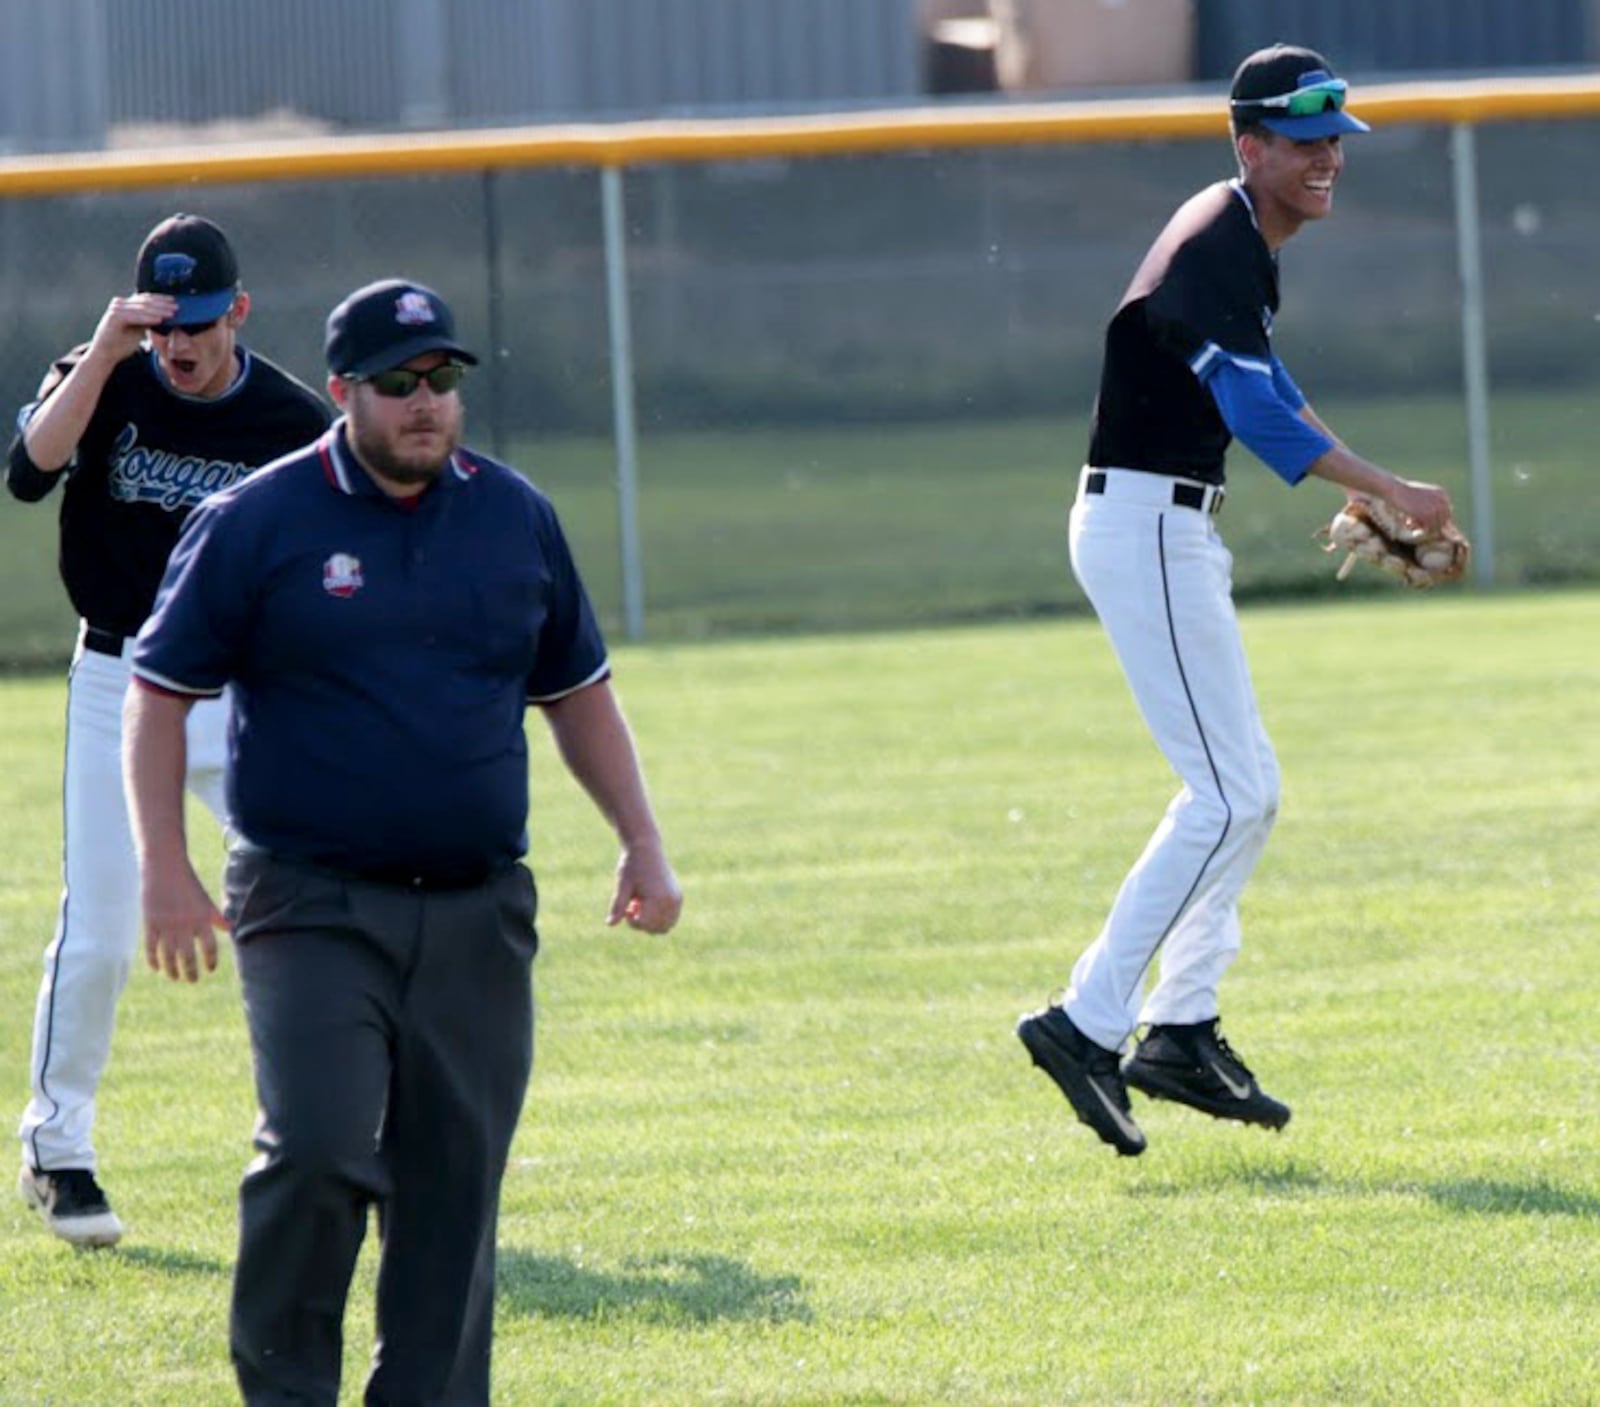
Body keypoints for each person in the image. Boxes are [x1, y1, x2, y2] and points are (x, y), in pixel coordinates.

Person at [124, 277, 684, 1404]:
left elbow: (576, 692)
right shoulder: (257, 522)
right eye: (397, 385)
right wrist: (165, 871)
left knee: (453, 1184)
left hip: (480, 910)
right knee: (321, 1149)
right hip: (310, 901)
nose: (425, 404)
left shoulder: (512, 515)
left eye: (441, 381)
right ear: (344, 393)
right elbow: (158, 693)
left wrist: (641, 839)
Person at [1016, 45, 1455, 1157]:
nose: (1325, 162)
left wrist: (1366, 480)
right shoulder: (1216, 241)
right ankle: (1087, 1021)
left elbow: (1277, 392)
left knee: (1244, 789)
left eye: (1333, 144)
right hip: (1143, 529)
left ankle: (1179, 1027)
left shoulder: (1240, 243)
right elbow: (1259, 421)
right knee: (1221, 795)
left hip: (1166, 526)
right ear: (1247, 146)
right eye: (1302, 144)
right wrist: (1390, 487)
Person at [8, 213, 331, 1244]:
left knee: (315, 896)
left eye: (195, 322)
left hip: (241, 691)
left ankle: (330, 1137)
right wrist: (104, 353)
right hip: (118, 675)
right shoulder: (106, 374)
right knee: (101, 927)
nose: (177, 346)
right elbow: (27, 469)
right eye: (159, 326)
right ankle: (57, 1151)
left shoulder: (285, 416)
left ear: (237, 310)